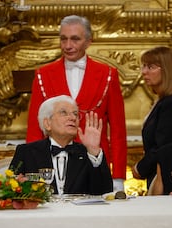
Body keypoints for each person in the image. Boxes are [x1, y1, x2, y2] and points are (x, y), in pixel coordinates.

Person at [26, 15, 127, 191]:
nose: (68, 45)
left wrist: (118, 176)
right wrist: (31, 172)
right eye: (63, 39)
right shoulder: (43, 74)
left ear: (89, 41)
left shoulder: (108, 74)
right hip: (53, 164)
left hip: (94, 162)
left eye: (75, 39)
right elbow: (35, 127)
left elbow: (118, 130)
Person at [10, 95, 113, 195]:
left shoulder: (88, 153)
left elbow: (105, 193)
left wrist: (93, 151)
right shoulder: (26, 152)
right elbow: (10, 190)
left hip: (80, 212)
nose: (73, 118)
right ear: (47, 123)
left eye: (76, 114)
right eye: (64, 113)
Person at [131, 46, 172, 188]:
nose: (144, 72)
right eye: (143, 66)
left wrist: (140, 168)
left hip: (166, 180)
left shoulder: (171, 104)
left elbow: (164, 146)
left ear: (167, 70)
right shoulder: (163, 101)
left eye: (151, 67)